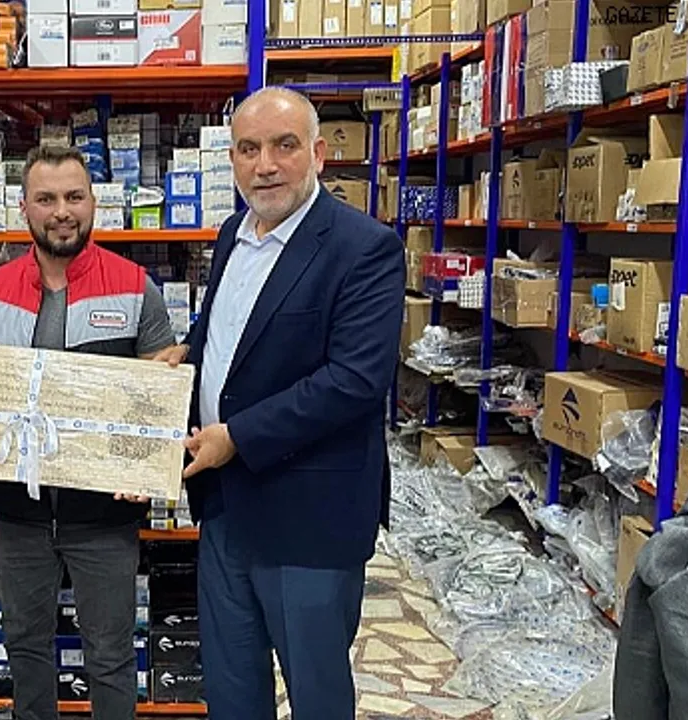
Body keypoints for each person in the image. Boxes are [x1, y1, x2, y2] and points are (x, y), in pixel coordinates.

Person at [167, 87, 406, 718]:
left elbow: (354, 380)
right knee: (232, 690)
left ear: (319, 154)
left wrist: (236, 436)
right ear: (232, 159)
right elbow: (232, 333)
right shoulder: (233, 234)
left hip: (309, 519)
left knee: (316, 695)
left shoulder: (364, 248)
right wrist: (188, 353)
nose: (265, 165)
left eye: (284, 146)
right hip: (226, 507)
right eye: (248, 149)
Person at [0, 145, 183, 720]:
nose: (62, 211)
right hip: (17, 516)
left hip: (103, 516)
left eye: (74, 197)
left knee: (110, 654)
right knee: (25, 647)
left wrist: (146, 457)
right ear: (24, 207)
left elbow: (158, 397)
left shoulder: (135, 286)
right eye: (47, 198)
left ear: (93, 203)